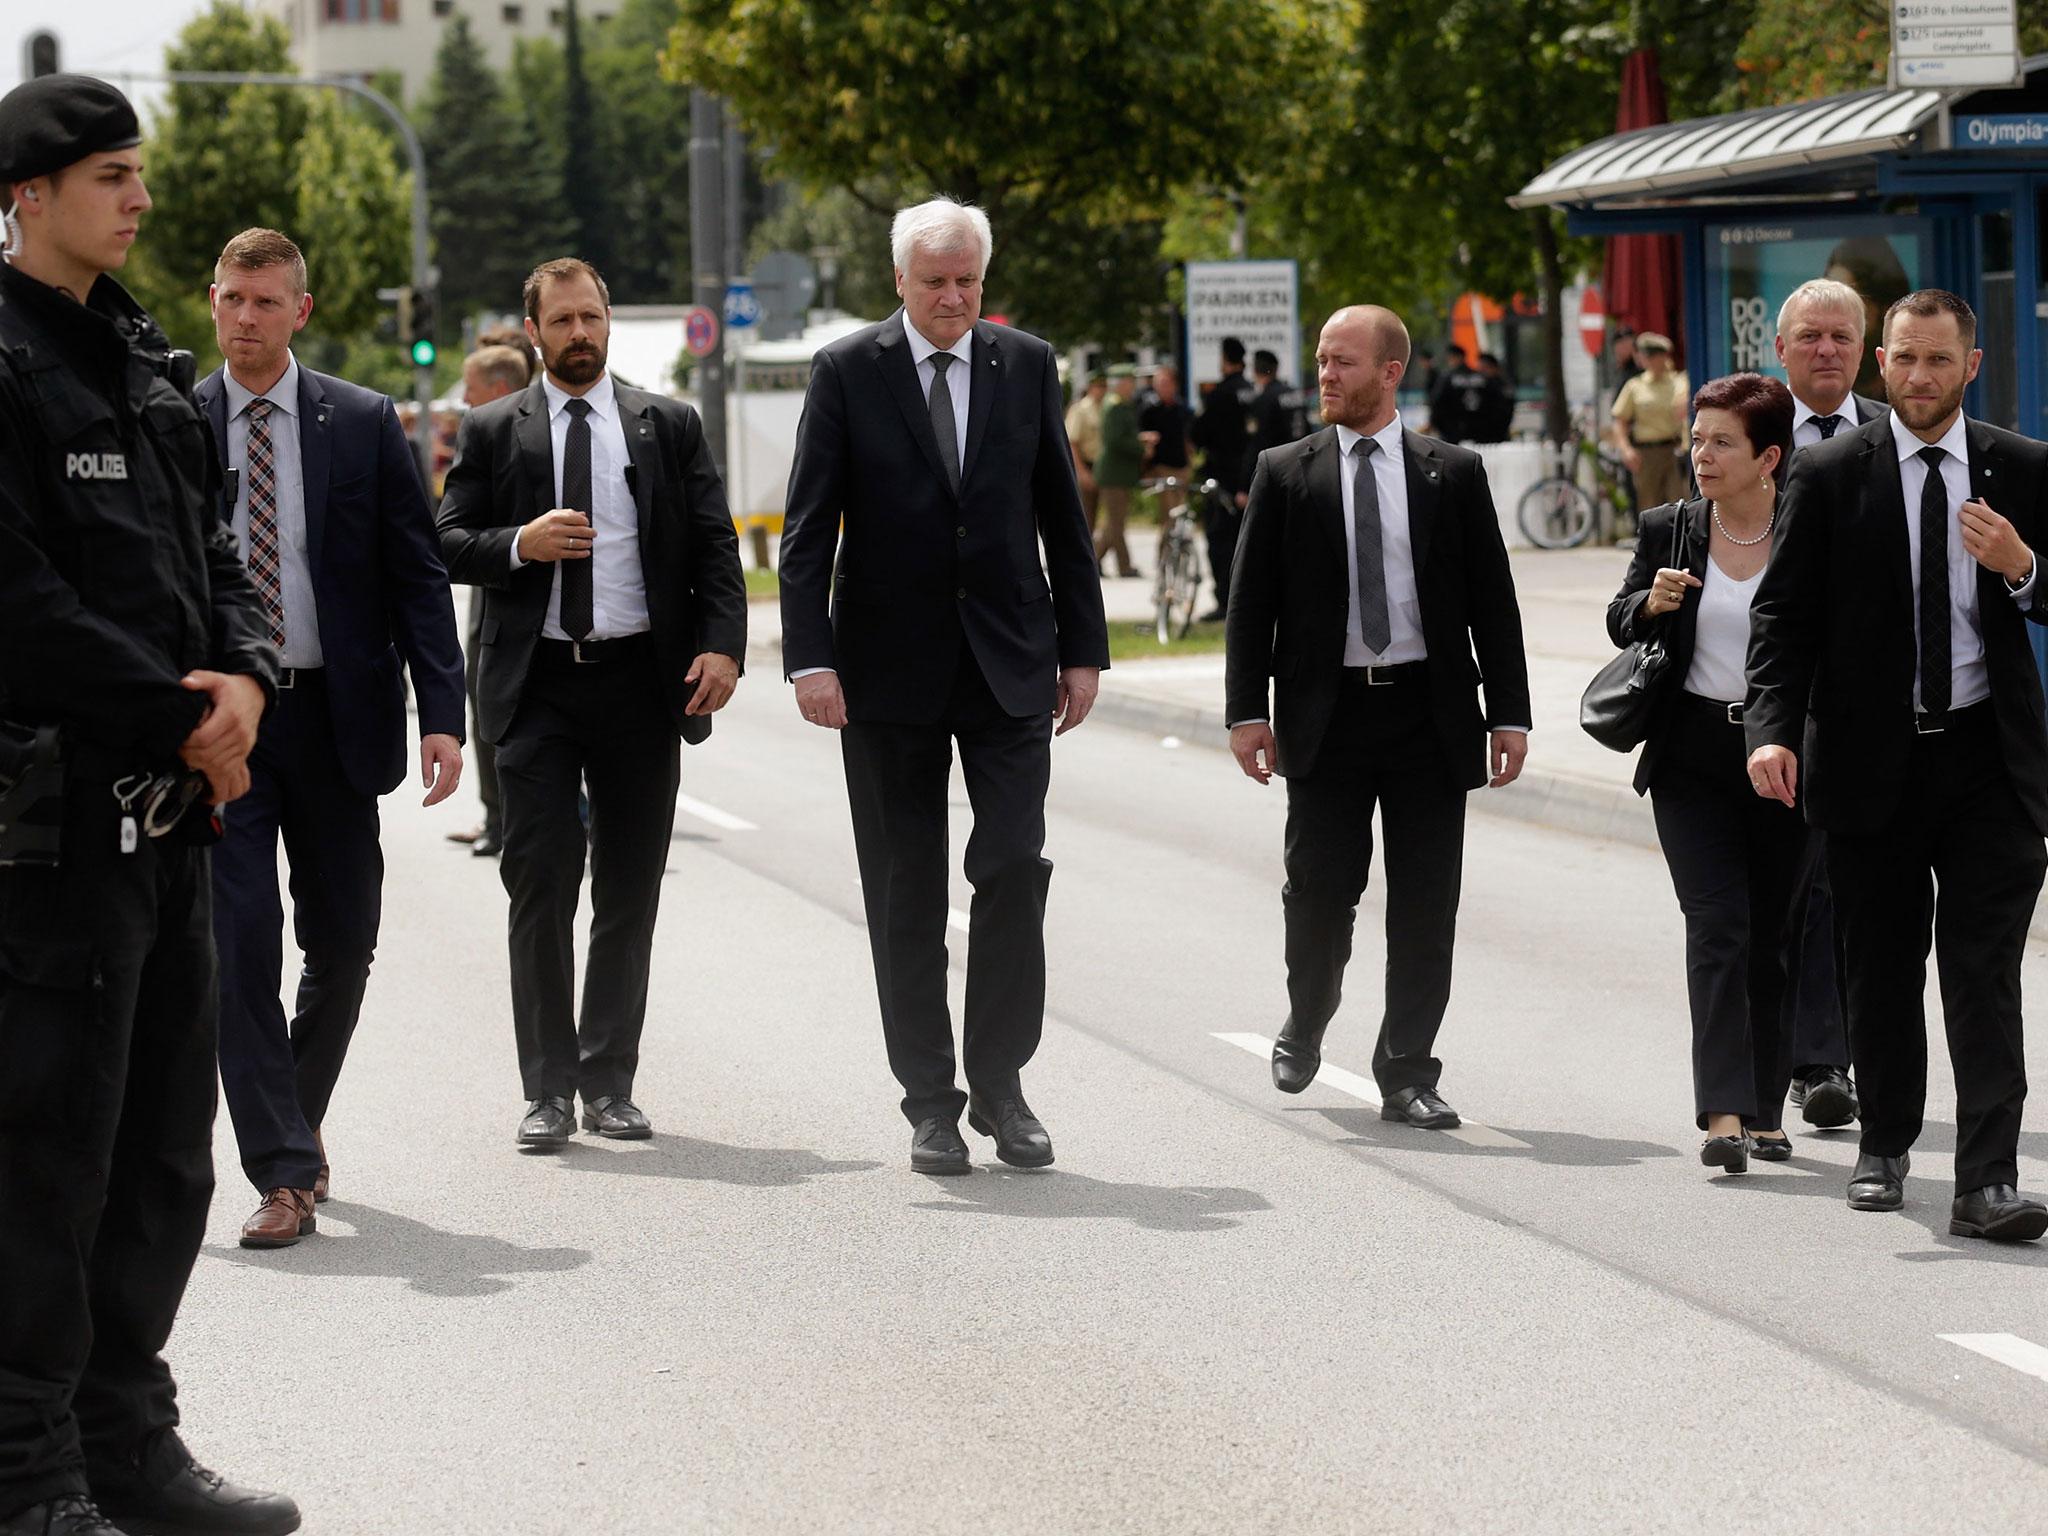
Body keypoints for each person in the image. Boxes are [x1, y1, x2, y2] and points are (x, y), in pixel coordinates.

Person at [0, 74, 300, 1536]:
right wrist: (191, 719)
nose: (136, 197)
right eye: (109, 175)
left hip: (172, 830)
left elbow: (226, 569)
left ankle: (129, 1446)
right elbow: (19, 606)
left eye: (137, 173)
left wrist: (244, 684)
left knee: (161, 1157)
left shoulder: (144, 362)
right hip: (47, 844)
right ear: (29, 195)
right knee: (42, 1166)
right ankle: (27, 1472)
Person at [779, 196, 1110, 1174]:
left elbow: (1062, 512)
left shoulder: (1025, 365)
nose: (954, 297)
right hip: (884, 672)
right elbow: (806, 531)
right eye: (935, 281)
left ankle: (1002, 1088)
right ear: (899, 282)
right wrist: (811, 657)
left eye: (967, 280)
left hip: (1009, 659)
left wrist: (1082, 650)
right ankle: (930, 1101)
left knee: (1012, 864)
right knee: (904, 890)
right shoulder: (847, 371)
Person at [1747, 289, 2048, 1241]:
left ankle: (1986, 1181)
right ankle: (1883, 1148)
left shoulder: (2022, 470)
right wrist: (1770, 727)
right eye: (1905, 360)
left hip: (1988, 762)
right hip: (1870, 761)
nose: (1920, 378)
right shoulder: (1830, 473)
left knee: (1983, 972)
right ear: (1884, 364)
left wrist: (2024, 565)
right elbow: (1782, 618)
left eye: (1938, 361)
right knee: (1878, 967)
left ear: (1974, 365)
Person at [437, 257, 747, 1151]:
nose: (580, 334)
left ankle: (610, 1081)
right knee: (539, 883)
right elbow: (448, 540)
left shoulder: (666, 426)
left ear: (608, 322)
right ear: (533, 331)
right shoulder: (495, 428)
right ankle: (547, 1089)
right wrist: (519, 545)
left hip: (639, 686)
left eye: (592, 318)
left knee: (629, 886)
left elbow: (714, 546)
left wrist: (721, 646)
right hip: (535, 688)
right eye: (562, 321)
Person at [195, 227, 467, 1247]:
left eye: (267, 302)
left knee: (342, 942)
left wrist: (443, 711)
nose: (248, 320)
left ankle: (292, 1132)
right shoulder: (175, 422)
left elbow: (416, 574)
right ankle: (280, 1170)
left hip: (336, 716)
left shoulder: (359, 423)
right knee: (236, 942)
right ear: (212, 303)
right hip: (226, 724)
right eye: (232, 300)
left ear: (299, 310)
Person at [1225, 305, 1530, 1127]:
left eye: (1343, 363)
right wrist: (1246, 711)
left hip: (1430, 717)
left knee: (1427, 906)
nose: (1325, 375)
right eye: (1321, 360)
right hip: (1327, 719)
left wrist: (1509, 713)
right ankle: (1310, 1013)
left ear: (1390, 372)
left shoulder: (1452, 472)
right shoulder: (1286, 470)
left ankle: (1408, 1071)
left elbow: (1492, 604)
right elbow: (1251, 604)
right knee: (1319, 893)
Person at [1608, 373, 1805, 1175]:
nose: (1701, 455)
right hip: (1691, 757)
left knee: (1775, 939)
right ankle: (1723, 1112)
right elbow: (1619, 619)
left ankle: (1765, 1106)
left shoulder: (1807, 529)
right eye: (1696, 439)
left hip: (1786, 757)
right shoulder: (1673, 528)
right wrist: (1649, 603)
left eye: (1721, 442)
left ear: (1769, 457)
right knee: (1717, 926)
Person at [1771, 276, 1889, 1129]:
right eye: (1811, 337)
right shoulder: (1739, 432)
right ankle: (1789, 1057)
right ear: (1779, 349)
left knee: (1842, 892)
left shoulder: (1896, 436)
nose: (1826, 352)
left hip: (1871, 713)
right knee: (1777, 895)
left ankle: (1829, 1060)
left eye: (1842, 339)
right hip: (1765, 707)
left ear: (1865, 352)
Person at [444, 343, 536, 858]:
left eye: (471, 389)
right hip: (490, 590)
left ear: (498, 390)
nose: (463, 400)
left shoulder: (518, 438)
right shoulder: (493, 433)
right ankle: (496, 817)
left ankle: (503, 822)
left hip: (513, 606)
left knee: (493, 710)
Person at [1191, 337, 1256, 620]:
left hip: (1223, 478)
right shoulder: (1252, 391)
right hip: (1252, 475)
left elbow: (1198, 433)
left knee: (1219, 540)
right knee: (1249, 540)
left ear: (1225, 359)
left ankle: (1225, 601)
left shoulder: (1219, 394)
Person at [1610, 332, 1689, 511]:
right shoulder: (1635, 386)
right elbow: (1620, 421)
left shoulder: (1679, 382)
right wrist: (1626, 450)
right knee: (1649, 507)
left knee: (1679, 504)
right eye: (1646, 356)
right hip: (1646, 454)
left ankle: (1677, 540)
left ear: (1663, 356)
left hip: (1673, 451)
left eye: (1654, 356)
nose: (1649, 361)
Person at [1092, 363, 1143, 577]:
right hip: (1114, 473)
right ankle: (1124, 565)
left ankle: (1092, 562)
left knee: (1111, 525)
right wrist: (1140, 447)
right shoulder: (1114, 406)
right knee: (1116, 524)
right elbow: (1115, 441)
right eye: (1130, 382)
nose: (1133, 386)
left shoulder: (1119, 404)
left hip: (1118, 473)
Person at [1139, 359, 1195, 513]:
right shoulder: (1149, 410)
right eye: (1158, 383)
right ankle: (1167, 537)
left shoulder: (1183, 409)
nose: (1160, 387)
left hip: (1181, 465)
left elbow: (1189, 437)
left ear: (1174, 385)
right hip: (1161, 465)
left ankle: (1173, 536)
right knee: (1169, 509)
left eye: (1164, 383)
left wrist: (1190, 460)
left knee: (1181, 508)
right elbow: (1138, 433)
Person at [1242, 347, 1298, 484]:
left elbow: (1256, 441)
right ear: (1276, 369)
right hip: (1301, 462)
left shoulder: (1264, 399)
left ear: (1255, 371)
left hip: (1277, 468)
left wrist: (1244, 483)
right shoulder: (1294, 394)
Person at [1063, 369, 1106, 535]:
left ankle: (1096, 556)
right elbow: (1072, 442)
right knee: (1086, 516)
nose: (1101, 389)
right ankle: (1087, 558)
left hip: (1104, 467)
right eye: (1098, 386)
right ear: (1090, 387)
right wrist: (1081, 472)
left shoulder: (1106, 408)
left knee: (1110, 516)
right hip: (1086, 464)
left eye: (1104, 386)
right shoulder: (1080, 409)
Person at [1472, 352, 1515, 443]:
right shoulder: (1478, 386)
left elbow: (1506, 410)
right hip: (1480, 434)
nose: (1480, 372)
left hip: (1498, 434)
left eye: (1483, 368)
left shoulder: (1502, 385)